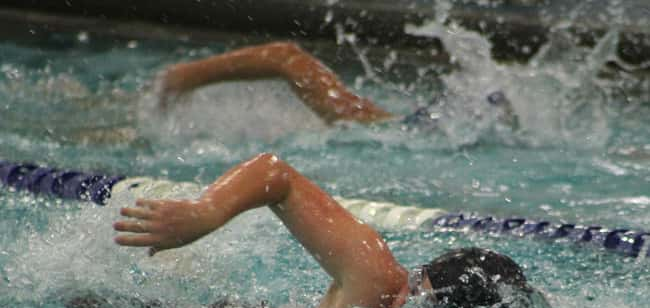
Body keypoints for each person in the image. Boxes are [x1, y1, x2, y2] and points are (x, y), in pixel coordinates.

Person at [114, 153, 545, 308]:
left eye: (419, 304)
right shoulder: (378, 277)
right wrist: (204, 213)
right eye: (414, 285)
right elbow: (273, 173)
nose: (401, 299)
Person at [158, 41, 517, 128]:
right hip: (389, 129)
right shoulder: (374, 127)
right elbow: (284, 56)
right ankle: (179, 77)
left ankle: (180, 78)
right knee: (288, 58)